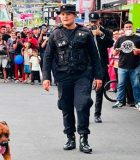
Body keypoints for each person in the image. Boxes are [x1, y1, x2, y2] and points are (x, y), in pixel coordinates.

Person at [42, 4, 103, 153]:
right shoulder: (55, 34)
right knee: (66, 107)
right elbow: (48, 57)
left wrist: (98, 76)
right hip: (63, 76)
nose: (65, 16)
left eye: (68, 14)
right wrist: (45, 77)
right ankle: (70, 137)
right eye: (62, 14)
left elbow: (95, 56)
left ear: (74, 15)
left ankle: (84, 139)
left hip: (82, 75)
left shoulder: (85, 32)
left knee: (82, 105)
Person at [88, 12, 114, 123]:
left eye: (95, 21)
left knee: (99, 90)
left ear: (99, 21)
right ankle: (85, 113)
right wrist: (90, 33)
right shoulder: (85, 31)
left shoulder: (106, 32)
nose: (93, 23)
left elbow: (110, 43)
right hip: (88, 65)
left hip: (101, 64)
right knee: (85, 90)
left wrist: (100, 34)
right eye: (91, 22)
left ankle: (97, 114)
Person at [112, 21, 140, 109]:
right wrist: (117, 50)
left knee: (136, 85)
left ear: (132, 28)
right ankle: (120, 101)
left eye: (130, 27)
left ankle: (137, 102)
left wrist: (138, 50)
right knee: (121, 84)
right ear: (123, 28)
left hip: (135, 65)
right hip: (122, 65)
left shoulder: (138, 38)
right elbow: (114, 53)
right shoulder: (120, 39)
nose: (128, 29)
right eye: (127, 27)